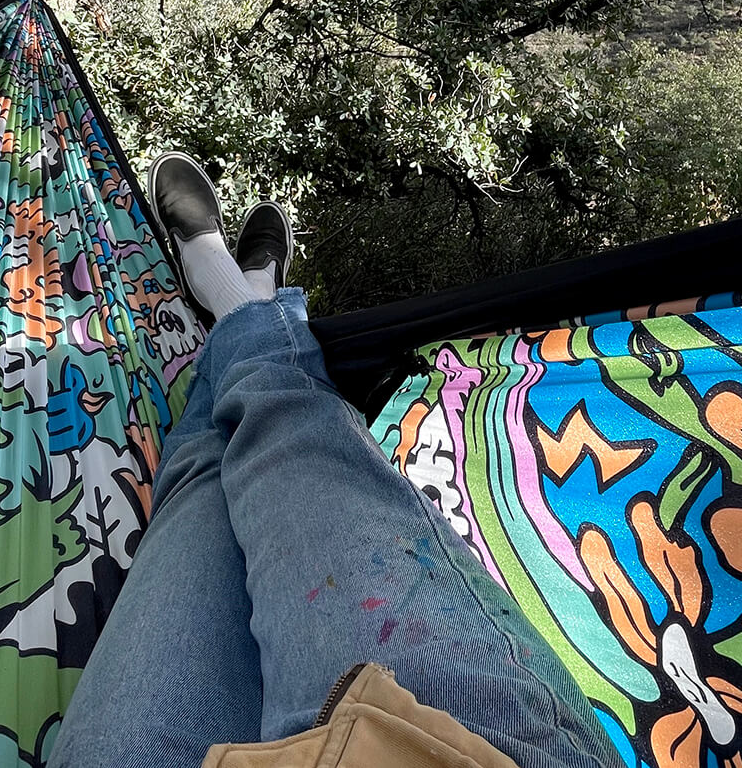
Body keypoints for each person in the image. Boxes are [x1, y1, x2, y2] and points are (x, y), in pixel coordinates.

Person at [50, 153, 624, 768]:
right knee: (289, 432)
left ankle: (237, 297)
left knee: (203, 482)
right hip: (451, 744)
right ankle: (242, 297)